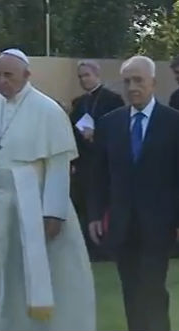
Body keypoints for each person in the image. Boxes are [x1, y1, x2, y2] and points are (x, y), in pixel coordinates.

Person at [0, 48, 95, 331]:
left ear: (26, 74)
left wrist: (54, 213)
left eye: (8, 75)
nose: (2, 81)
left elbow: (58, 166)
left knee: (30, 277)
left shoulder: (47, 110)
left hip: (31, 207)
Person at [89, 55, 179, 331]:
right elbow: (98, 176)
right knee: (131, 293)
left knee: (152, 292)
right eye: (127, 82)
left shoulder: (176, 122)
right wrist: (93, 215)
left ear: (153, 83)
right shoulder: (110, 123)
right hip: (123, 225)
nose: (132, 87)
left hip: (160, 225)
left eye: (138, 80)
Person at [68, 59, 124, 262]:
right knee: (83, 204)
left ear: (97, 75)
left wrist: (97, 134)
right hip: (84, 162)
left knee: (103, 204)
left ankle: (105, 246)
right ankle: (86, 247)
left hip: (105, 161)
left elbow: (118, 128)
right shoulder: (79, 103)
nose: (84, 80)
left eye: (87, 75)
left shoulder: (112, 99)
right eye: (80, 77)